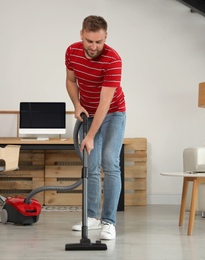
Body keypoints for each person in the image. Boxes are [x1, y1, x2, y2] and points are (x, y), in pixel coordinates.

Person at [65, 15, 126, 240]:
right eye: (89, 41)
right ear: (81, 34)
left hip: (113, 113)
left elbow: (105, 103)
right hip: (87, 113)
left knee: (110, 162)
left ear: (105, 37)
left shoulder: (113, 60)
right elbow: (71, 81)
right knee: (90, 165)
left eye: (98, 42)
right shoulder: (72, 52)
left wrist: (90, 136)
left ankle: (109, 222)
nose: (93, 47)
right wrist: (77, 104)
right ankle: (92, 217)